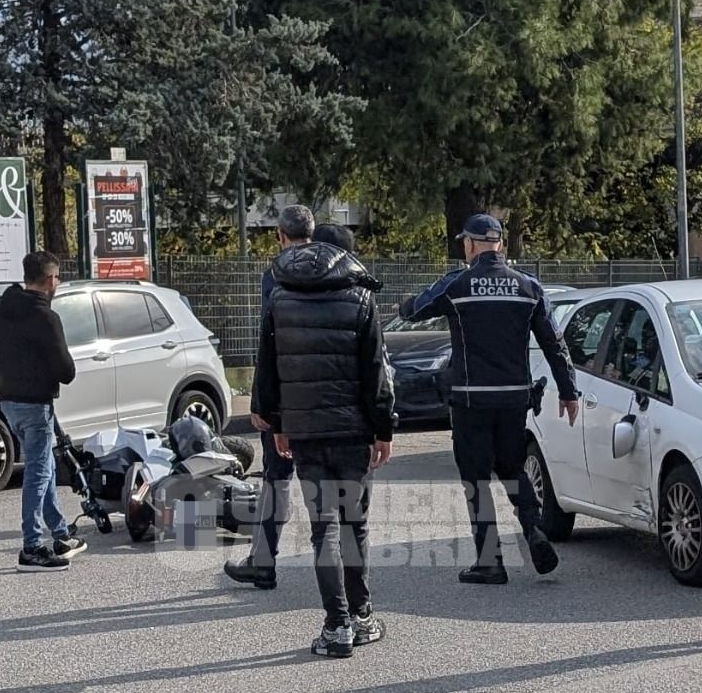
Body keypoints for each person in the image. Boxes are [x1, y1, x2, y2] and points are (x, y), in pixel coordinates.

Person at [399, 214, 580, 585]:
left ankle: (490, 561)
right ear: (501, 244)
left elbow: (417, 310)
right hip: (514, 399)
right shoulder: (528, 286)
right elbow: (554, 343)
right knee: (513, 469)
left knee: (476, 478)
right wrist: (568, 390)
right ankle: (533, 529)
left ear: (468, 244)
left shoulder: (458, 283)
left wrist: (403, 303)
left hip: (470, 401)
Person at [255, 238, 396, 657]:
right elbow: (377, 369)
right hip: (353, 431)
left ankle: (336, 627)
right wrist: (384, 428)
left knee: (324, 530)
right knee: (355, 524)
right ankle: (362, 616)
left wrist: (276, 422)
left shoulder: (280, 298)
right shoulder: (360, 299)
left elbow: (268, 363)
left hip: (305, 431)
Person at [225, 205, 315, 589]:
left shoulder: (275, 275)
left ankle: (264, 561)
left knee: (277, 477)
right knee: (326, 479)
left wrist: (263, 403)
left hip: (287, 391)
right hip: (330, 395)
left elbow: (270, 342)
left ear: (280, 235)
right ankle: (341, 564)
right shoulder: (339, 270)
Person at [0, 251, 86, 572]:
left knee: (43, 466)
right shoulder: (46, 317)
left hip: (8, 401)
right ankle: (31, 547)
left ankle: (60, 532)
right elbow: (66, 369)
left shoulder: (3, 310)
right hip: (35, 403)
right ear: (50, 280)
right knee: (38, 473)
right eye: (57, 278)